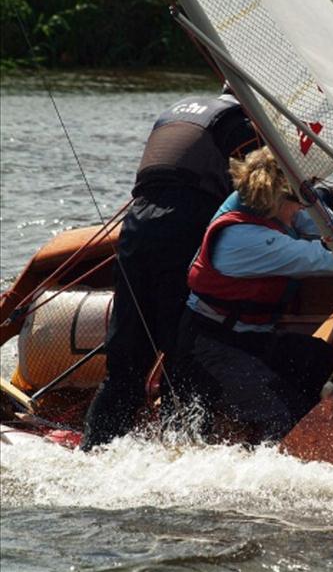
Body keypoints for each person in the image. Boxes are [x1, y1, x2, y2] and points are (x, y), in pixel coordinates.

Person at [172, 147, 333, 441]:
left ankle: (316, 434)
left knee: (318, 357)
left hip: (251, 339)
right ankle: (285, 454)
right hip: (212, 347)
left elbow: (331, 230)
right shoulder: (243, 238)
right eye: (300, 200)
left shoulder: (271, 206)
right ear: (277, 194)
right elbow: (326, 256)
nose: (303, 207)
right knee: (281, 414)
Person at [80, 89, 260, 451]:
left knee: (127, 358)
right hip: (184, 225)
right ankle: (181, 454)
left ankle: (95, 449)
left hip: (137, 223)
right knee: (185, 354)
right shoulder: (239, 123)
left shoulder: (179, 110)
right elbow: (260, 189)